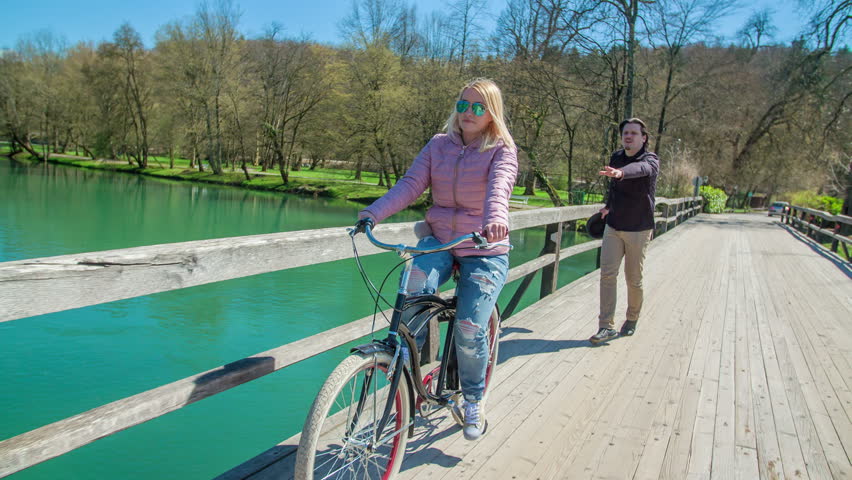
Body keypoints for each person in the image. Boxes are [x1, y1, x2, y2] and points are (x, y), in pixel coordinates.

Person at [357, 78, 518, 440]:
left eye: (478, 107)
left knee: (469, 327)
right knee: (412, 290)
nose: (468, 113)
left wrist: (496, 221)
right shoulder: (438, 145)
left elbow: (499, 190)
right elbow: (410, 184)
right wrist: (373, 213)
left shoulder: (501, 149)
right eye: (463, 105)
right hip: (441, 240)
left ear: (492, 113)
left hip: (483, 246)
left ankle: (474, 398)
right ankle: (402, 367)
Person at [590, 118, 659, 344]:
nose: (628, 136)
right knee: (607, 275)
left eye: (633, 133)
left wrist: (621, 173)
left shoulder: (650, 160)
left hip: (639, 228)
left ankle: (631, 318)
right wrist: (608, 206)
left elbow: (639, 169)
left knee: (633, 279)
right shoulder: (617, 157)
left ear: (643, 138)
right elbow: (614, 188)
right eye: (625, 133)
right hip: (614, 225)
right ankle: (605, 326)